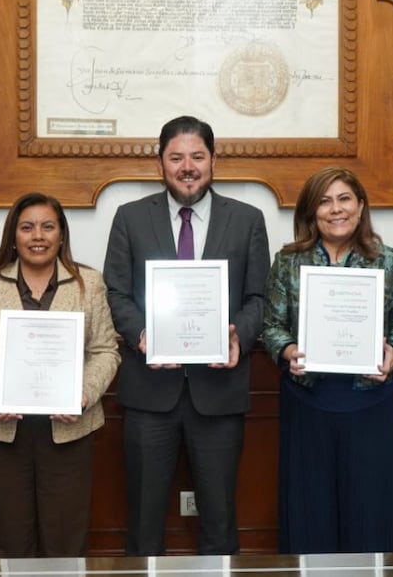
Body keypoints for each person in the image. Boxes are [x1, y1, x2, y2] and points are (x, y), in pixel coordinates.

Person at [103, 115, 270, 555]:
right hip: (149, 394)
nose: (187, 166)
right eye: (176, 157)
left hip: (219, 392)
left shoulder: (248, 220)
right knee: (144, 520)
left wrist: (240, 336)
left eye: (197, 156)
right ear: (161, 163)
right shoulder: (130, 218)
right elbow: (116, 292)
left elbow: (259, 298)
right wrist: (142, 334)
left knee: (219, 518)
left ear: (214, 160)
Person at [0, 193, 121, 557]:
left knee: (65, 542)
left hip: (69, 431)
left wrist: (84, 393)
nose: (37, 236)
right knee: (9, 542)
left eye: (48, 226)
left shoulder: (88, 284)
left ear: (62, 235)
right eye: (27, 227)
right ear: (14, 236)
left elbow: (105, 351)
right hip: (2, 431)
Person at [260, 166, 393, 554]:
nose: (335, 209)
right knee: (311, 510)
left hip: (371, 400)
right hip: (309, 399)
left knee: (370, 509)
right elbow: (272, 326)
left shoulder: (391, 262)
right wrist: (287, 351)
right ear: (312, 212)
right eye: (324, 202)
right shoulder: (288, 261)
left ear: (361, 206)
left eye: (344, 199)